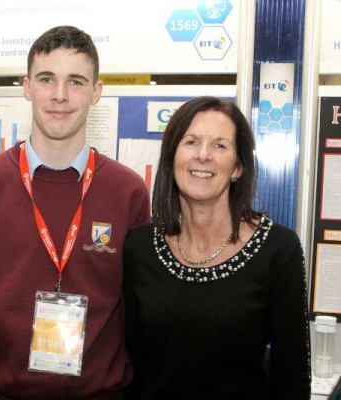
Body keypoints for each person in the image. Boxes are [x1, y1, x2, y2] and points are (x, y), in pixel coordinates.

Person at [0, 25, 150, 399]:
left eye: (75, 81)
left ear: (96, 93)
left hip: (97, 393)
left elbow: (133, 310)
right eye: (47, 79)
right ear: (27, 87)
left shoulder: (128, 192)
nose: (60, 96)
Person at [123, 96, 311, 399]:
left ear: (238, 167)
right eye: (191, 142)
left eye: (220, 145)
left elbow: (293, 381)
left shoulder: (278, 249)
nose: (203, 155)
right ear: (172, 156)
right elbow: (132, 368)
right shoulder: (140, 247)